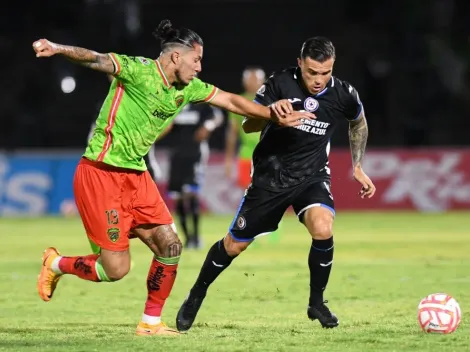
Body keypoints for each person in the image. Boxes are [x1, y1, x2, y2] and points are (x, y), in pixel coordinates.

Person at [33, 19, 313, 336]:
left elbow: (233, 101)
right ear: (176, 57)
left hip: (136, 176)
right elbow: (94, 57)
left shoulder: (189, 88)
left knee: (170, 246)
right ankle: (56, 263)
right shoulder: (137, 70)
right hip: (100, 173)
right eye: (196, 60)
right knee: (115, 269)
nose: (200, 67)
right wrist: (57, 48)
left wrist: (273, 114)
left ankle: (150, 323)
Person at [176, 36, 376, 331]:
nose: (319, 80)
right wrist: (272, 114)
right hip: (271, 177)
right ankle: (196, 294)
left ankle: (316, 303)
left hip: (312, 176)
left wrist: (357, 165)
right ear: (300, 64)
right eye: (311, 72)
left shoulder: (344, 93)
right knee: (233, 246)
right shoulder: (279, 83)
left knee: (323, 227)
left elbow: (358, 121)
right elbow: (247, 124)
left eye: (325, 73)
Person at [165, 103, 224, 249]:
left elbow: (218, 115)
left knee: (192, 194)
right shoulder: (173, 99)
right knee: (178, 197)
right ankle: (187, 238)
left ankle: (197, 237)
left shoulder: (199, 100)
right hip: (176, 154)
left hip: (195, 154)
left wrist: (208, 126)